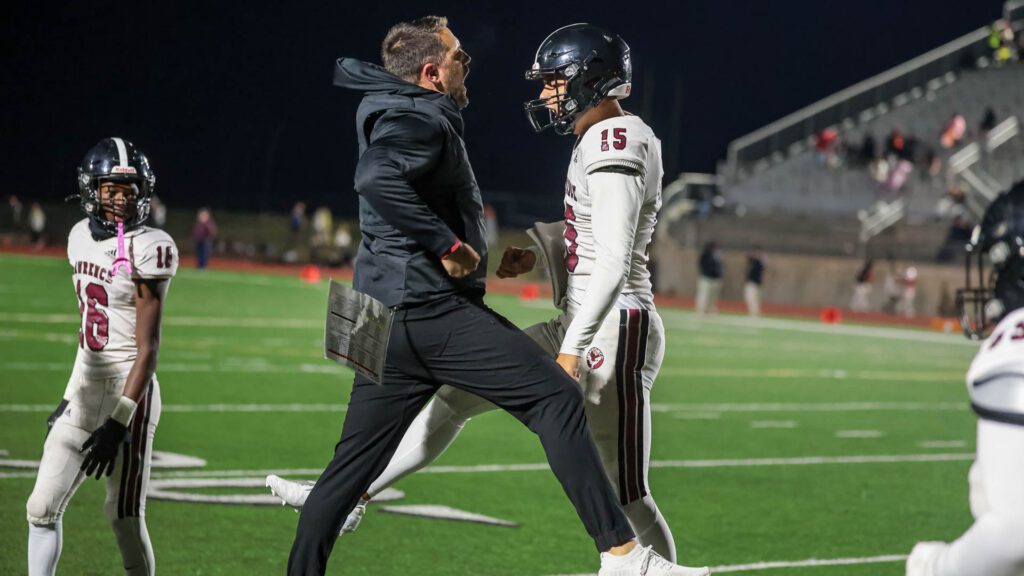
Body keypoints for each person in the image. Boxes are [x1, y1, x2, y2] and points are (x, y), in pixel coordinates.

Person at [272, 23, 708, 576]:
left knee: (625, 493)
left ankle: (632, 563)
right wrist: (542, 245)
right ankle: (351, 495)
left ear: (591, 80)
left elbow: (616, 261)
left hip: (613, 325)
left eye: (555, 82)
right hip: (562, 315)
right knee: (452, 400)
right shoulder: (590, 138)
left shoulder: (615, 139)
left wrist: (570, 351)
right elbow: (594, 236)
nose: (547, 94)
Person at [25, 137, 177, 576]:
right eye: (110, 189)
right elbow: (88, 337)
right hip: (86, 388)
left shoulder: (152, 246)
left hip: (132, 393)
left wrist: (118, 422)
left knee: (124, 518)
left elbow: (147, 350)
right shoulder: (77, 237)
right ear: (91, 188)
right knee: (40, 506)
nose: (119, 200)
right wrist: (71, 393)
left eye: (128, 191)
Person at [907, 180, 1024, 575]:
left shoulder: (1017, 340)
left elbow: (1014, 531)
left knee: (991, 496)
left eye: (1000, 264)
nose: (996, 279)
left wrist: (937, 568)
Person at [695, 242, 722, 315]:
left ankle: (709, 310)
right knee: (704, 295)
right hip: (706, 279)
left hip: (715, 279)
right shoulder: (705, 255)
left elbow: (719, 268)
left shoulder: (717, 257)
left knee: (712, 297)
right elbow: (702, 266)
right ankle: (701, 310)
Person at [744, 247, 764, 317]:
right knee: (751, 298)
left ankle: (754, 313)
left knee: (752, 298)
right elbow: (748, 257)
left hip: (754, 283)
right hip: (753, 282)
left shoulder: (759, 262)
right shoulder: (753, 261)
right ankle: (754, 312)